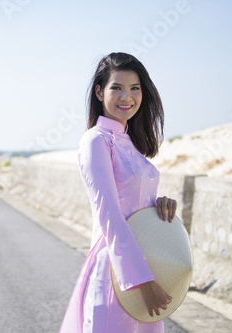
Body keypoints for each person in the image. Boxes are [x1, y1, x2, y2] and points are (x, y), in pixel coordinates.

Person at [60, 52, 177, 333]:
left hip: (145, 265)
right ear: (100, 92)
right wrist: (142, 282)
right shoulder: (95, 141)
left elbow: (134, 204)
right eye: (117, 88)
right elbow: (110, 215)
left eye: (135, 88)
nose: (127, 97)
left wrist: (157, 204)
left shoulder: (128, 143)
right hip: (117, 274)